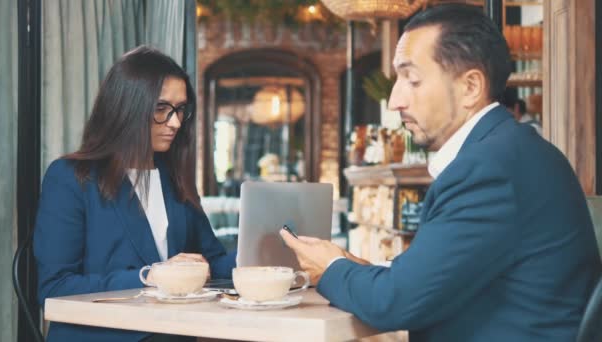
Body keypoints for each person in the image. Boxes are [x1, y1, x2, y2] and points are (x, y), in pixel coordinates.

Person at [280, 4, 601, 342]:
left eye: (412, 80)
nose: (394, 101)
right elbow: (431, 279)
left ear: (471, 87)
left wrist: (331, 269)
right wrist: (349, 264)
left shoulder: (489, 169)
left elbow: (396, 302)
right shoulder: (509, 150)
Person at [34, 46, 236, 342]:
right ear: (127, 108)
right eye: (161, 109)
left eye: (180, 109)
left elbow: (212, 262)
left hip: (172, 331)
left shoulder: (174, 178)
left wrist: (260, 258)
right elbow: (54, 288)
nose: (176, 122)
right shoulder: (70, 177)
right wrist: (149, 276)